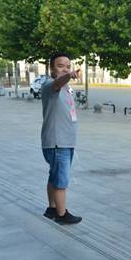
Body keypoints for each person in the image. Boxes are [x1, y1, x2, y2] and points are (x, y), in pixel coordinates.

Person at [41, 53, 82, 224]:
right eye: (60, 65)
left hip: (63, 141)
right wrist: (68, 76)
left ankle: (51, 208)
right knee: (61, 180)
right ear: (51, 68)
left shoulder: (65, 88)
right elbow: (58, 82)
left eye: (68, 66)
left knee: (54, 175)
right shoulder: (50, 84)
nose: (65, 68)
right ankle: (61, 214)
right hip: (58, 142)